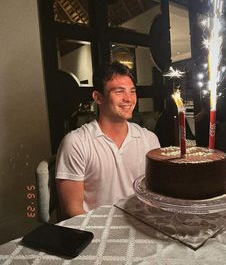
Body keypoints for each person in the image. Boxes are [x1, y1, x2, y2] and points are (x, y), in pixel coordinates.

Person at [55, 61, 160, 219]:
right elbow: (72, 210)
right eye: (119, 92)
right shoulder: (76, 143)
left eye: (132, 91)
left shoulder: (149, 139)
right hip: (96, 232)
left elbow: (155, 194)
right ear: (98, 98)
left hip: (142, 226)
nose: (128, 99)